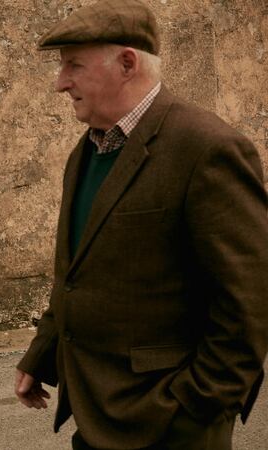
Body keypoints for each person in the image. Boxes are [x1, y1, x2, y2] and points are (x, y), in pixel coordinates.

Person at [14, 0, 268, 448]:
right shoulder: (87, 152)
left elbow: (251, 298)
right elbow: (77, 271)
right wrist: (42, 353)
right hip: (96, 414)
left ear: (127, 63)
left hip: (170, 422)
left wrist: (198, 406)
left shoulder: (206, 148)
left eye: (73, 65)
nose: (60, 83)